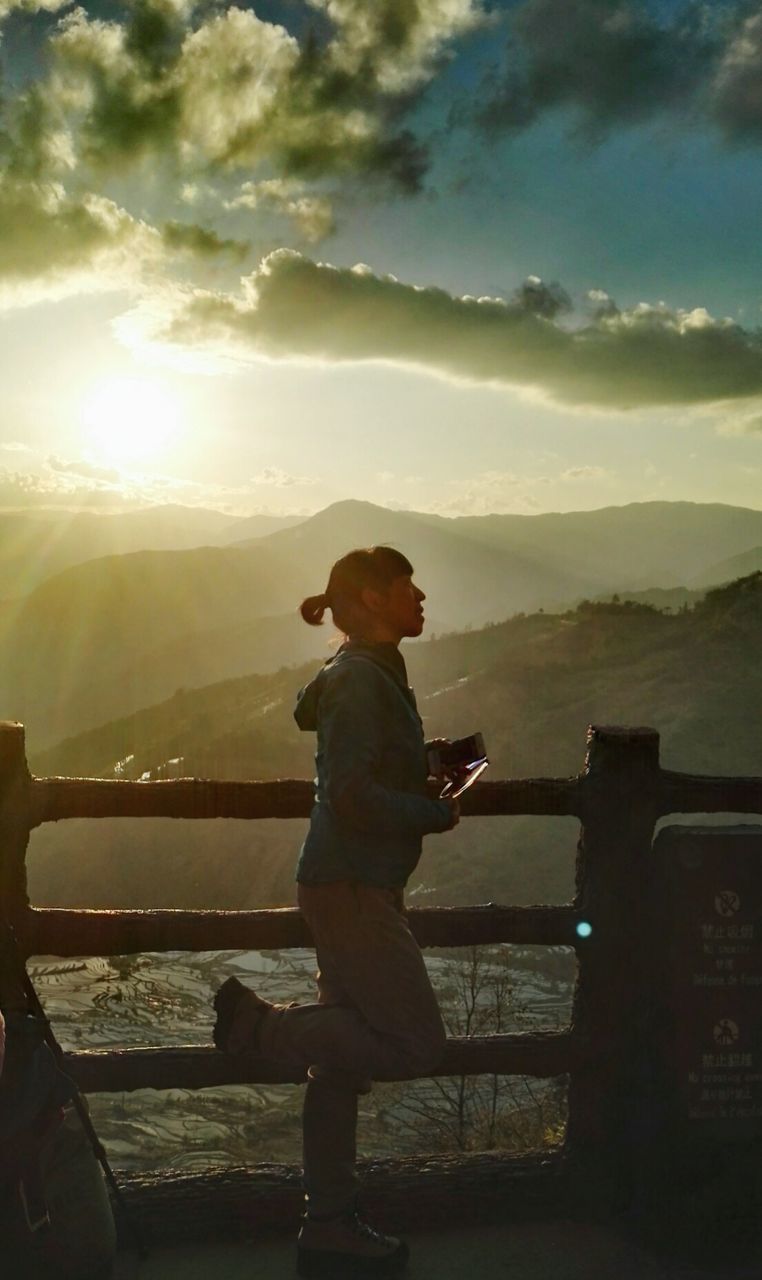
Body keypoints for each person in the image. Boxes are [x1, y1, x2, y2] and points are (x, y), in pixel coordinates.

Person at [212, 545, 460, 1277]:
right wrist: (432, 812)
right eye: (407, 587)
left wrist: (422, 767)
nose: (420, 597)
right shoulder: (358, 680)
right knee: (416, 1043)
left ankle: (328, 1225)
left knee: (339, 1067)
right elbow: (349, 793)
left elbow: (356, 768)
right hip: (351, 886)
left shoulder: (366, 672)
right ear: (373, 597)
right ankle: (261, 1027)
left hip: (354, 882)